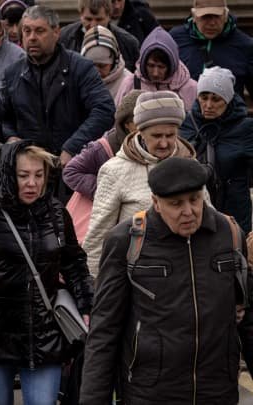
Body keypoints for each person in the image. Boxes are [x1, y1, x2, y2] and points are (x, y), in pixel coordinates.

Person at [80, 156, 252, 405]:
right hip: (150, 392)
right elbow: (104, 329)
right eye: (175, 204)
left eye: (195, 199)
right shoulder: (127, 241)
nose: (188, 211)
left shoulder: (230, 234)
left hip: (217, 390)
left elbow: (248, 319)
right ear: (156, 203)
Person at [0, 140, 94, 405]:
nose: (32, 183)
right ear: (8, 175)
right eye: (23, 175)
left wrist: (86, 304)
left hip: (43, 333)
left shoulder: (56, 213)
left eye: (39, 175)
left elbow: (74, 263)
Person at [83, 91, 195, 276]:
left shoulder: (190, 165)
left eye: (170, 135)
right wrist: (94, 283)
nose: (164, 143)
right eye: (156, 136)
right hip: (136, 278)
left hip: (184, 274)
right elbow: (99, 235)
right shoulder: (114, 171)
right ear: (139, 132)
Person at [0, 6, 115, 163]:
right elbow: (3, 117)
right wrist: (11, 137)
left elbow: (104, 110)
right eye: (27, 31)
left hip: (73, 163)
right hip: (30, 165)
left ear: (56, 32)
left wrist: (73, 147)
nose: (32, 37)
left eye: (40, 31)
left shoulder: (80, 68)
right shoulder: (13, 73)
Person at [63, 90, 143, 242]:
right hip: (99, 219)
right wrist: (103, 191)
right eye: (139, 121)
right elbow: (70, 171)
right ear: (127, 124)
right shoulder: (102, 148)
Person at [180, 67, 253, 233]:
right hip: (195, 208)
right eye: (203, 97)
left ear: (228, 99)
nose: (208, 105)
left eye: (216, 99)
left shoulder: (245, 128)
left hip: (234, 211)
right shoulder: (187, 123)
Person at [170, 0, 253, 98]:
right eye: (206, 17)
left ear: (225, 16)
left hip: (229, 107)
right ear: (194, 16)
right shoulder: (175, 39)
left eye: (217, 17)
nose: (212, 23)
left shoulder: (245, 45)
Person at [114, 27, 198, 111]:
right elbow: (117, 116)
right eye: (151, 66)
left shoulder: (190, 88)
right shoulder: (130, 84)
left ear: (171, 66)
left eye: (161, 67)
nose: (155, 73)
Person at [58, 0, 139, 72]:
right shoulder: (63, 37)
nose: (93, 25)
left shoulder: (128, 43)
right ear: (81, 15)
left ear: (109, 16)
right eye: (88, 19)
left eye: (99, 19)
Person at [80, 25, 132, 99]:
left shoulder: (129, 83)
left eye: (102, 66)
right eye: (91, 65)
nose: (96, 71)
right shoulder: (77, 80)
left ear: (114, 63)